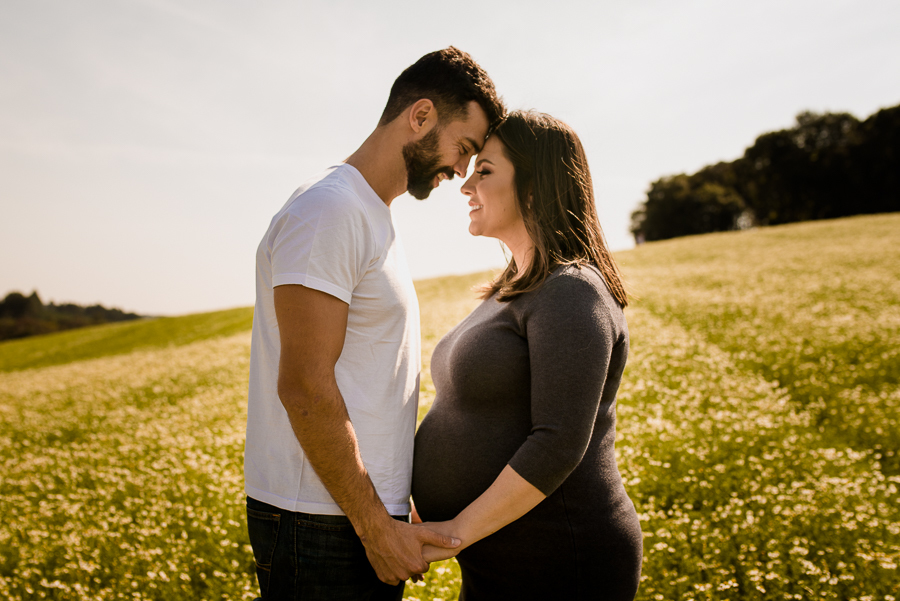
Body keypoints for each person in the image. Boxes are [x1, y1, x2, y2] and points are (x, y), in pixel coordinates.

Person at [244, 47, 505, 600]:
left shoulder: (371, 215)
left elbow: (364, 379)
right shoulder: (329, 210)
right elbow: (305, 387)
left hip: (351, 513)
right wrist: (371, 522)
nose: (461, 171)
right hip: (319, 522)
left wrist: (390, 496)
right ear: (420, 116)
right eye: (464, 148)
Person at [411, 110, 643, 600]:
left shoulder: (570, 290)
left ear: (537, 187)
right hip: (499, 555)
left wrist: (452, 533)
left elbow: (557, 443)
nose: (465, 184)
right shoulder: (511, 289)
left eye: (486, 171)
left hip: (558, 561)